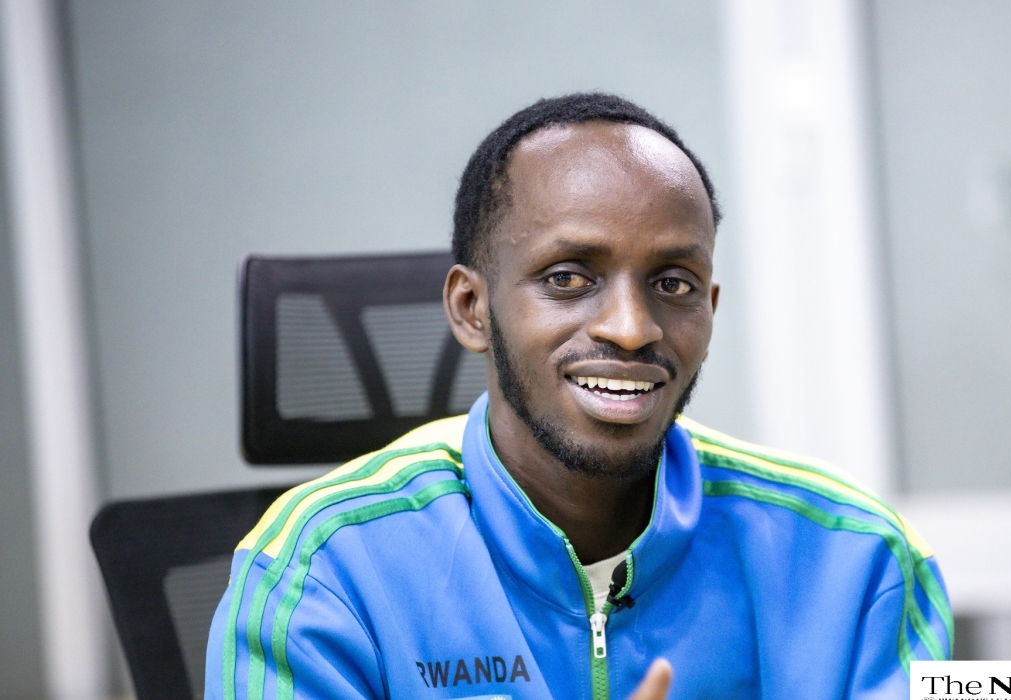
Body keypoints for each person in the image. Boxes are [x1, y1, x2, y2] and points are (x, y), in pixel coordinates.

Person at [205, 93, 951, 700]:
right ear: (471, 309)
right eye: (568, 278)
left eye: (673, 283)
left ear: (710, 310)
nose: (631, 328)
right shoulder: (320, 569)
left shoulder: (853, 557)